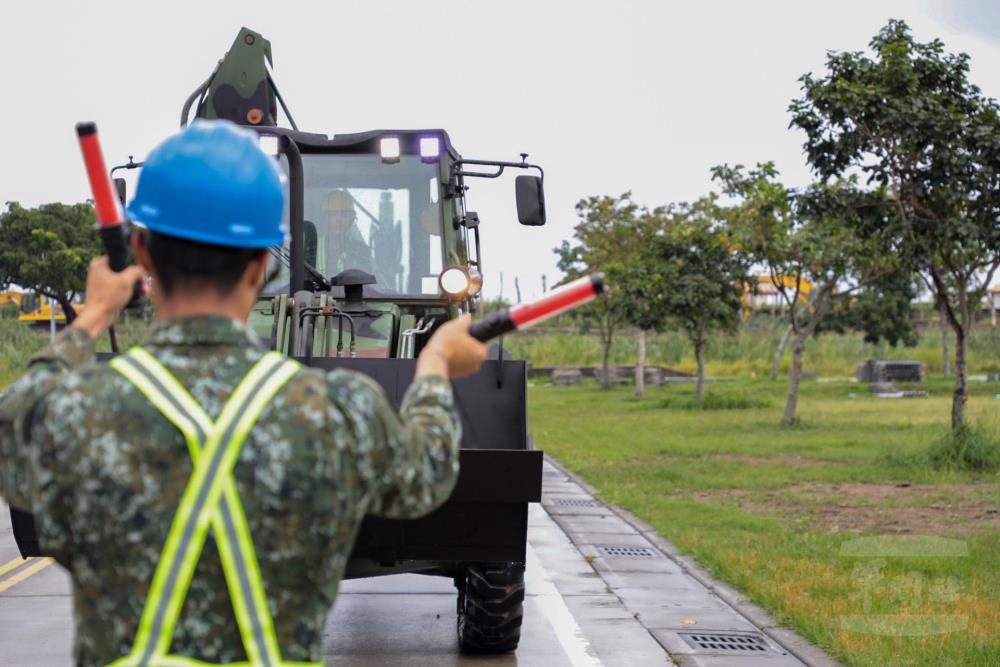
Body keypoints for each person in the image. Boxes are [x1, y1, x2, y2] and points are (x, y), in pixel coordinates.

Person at [0, 119, 487, 666]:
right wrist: (437, 366)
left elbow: (13, 424)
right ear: (263, 263)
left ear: (141, 252)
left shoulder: (75, 413)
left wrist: (90, 318)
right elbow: (427, 471)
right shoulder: (338, 413)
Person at [319, 189, 374, 275]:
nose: (338, 220)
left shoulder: (362, 252)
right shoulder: (310, 248)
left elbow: (367, 286)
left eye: (344, 215)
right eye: (334, 214)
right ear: (326, 218)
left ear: (351, 219)